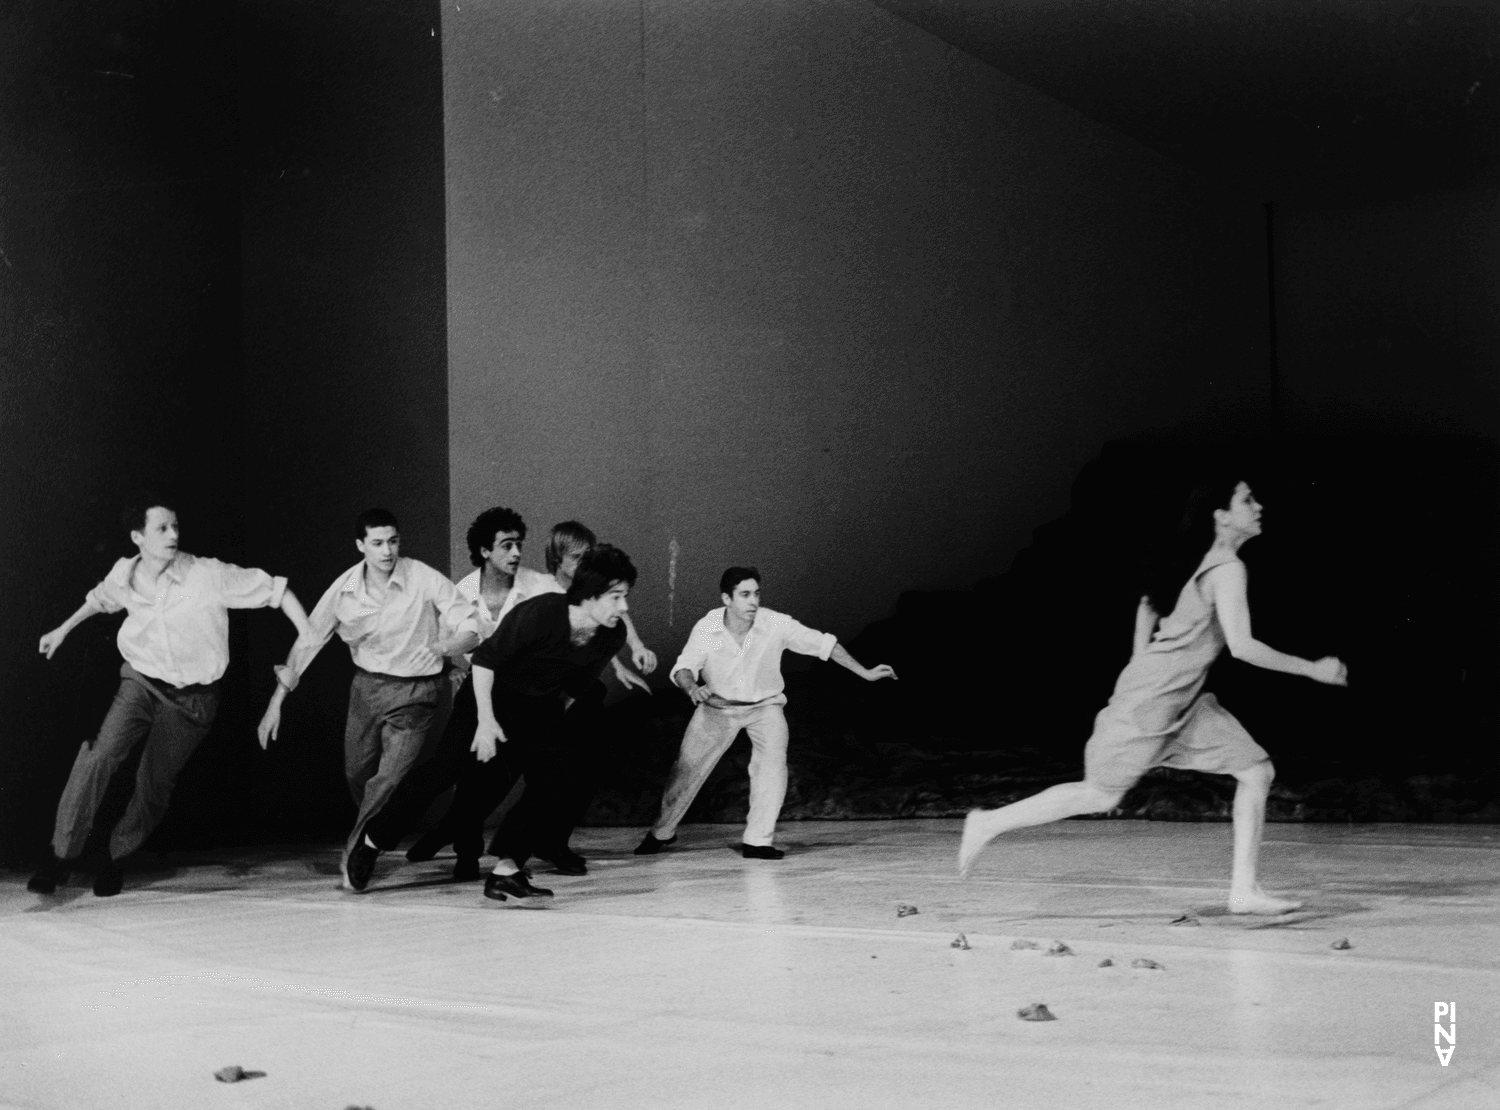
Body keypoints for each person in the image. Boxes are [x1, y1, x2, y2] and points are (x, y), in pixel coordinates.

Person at [956, 478, 1349, 914]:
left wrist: (1143, 663)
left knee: (1256, 771)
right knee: (1100, 795)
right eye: (1247, 499)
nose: (1258, 506)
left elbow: (1147, 605)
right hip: (1154, 701)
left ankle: (1244, 891)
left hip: (1180, 702)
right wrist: (1313, 669)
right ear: (1220, 515)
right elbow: (1242, 646)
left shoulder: (1204, 562)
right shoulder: (1225, 570)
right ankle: (987, 822)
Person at [29, 495, 309, 897]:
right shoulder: (124, 574)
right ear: (137, 536)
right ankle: (60, 856)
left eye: (176, 526)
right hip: (141, 682)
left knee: (153, 786)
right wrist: (62, 630)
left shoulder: (206, 574)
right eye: (162, 528)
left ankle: (116, 857)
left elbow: (276, 590)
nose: (173, 535)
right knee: (101, 754)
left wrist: (308, 632)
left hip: (194, 699)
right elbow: (99, 600)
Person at [400, 518, 653, 875]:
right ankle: (458, 839)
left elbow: (595, 627)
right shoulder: (500, 590)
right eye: (577, 556)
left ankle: (543, 846)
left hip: (551, 694)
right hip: (499, 690)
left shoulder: (565, 590)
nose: (584, 563)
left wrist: (624, 659)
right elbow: (468, 640)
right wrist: (457, 670)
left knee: (564, 770)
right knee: (475, 775)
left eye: (588, 555)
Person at [255, 508, 480, 889]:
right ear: (361, 545)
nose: (387, 551)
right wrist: (276, 701)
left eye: (393, 541)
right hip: (366, 690)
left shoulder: (422, 577)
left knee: (388, 779)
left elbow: (471, 626)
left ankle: (358, 850)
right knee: (357, 773)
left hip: (417, 693)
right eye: (377, 543)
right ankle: (374, 829)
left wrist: (445, 645)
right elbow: (311, 638)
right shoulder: (345, 588)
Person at [635, 567, 897, 860]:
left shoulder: (774, 623)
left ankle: (758, 841)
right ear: (726, 598)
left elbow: (824, 644)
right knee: (686, 771)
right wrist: (692, 689)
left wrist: (865, 672)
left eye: (756, 593)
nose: (753, 601)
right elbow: (685, 667)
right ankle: (662, 832)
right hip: (717, 708)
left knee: (772, 768)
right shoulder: (708, 628)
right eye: (745, 595)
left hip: (765, 707)